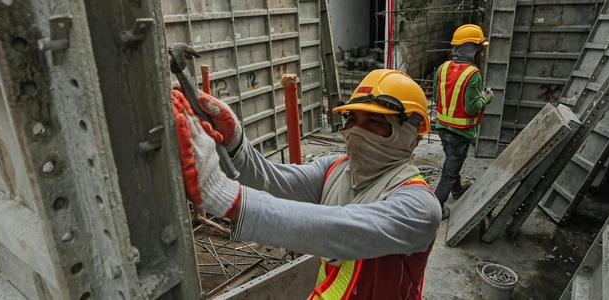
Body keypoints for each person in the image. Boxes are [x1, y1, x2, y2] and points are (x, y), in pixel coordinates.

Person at [171, 69, 441, 299]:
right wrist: (235, 143)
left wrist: (223, 195)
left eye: (374, 121)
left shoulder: (419, 207)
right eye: (352, 119)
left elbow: (341, 232)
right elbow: (275, 182)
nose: (357, 130)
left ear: (410, 134)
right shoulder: (336, 167)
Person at [432, 24, 494, 220]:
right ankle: (436, 207)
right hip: (460, 133)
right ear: (471, 50)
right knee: (449, 172)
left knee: (452, 163)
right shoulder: (472, 74)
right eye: (480, 50)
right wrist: (486, 98)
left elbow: (435, 96)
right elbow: (471, 107)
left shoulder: (442, 69)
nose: (482, 54)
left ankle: (457, 189)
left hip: (442, 128)